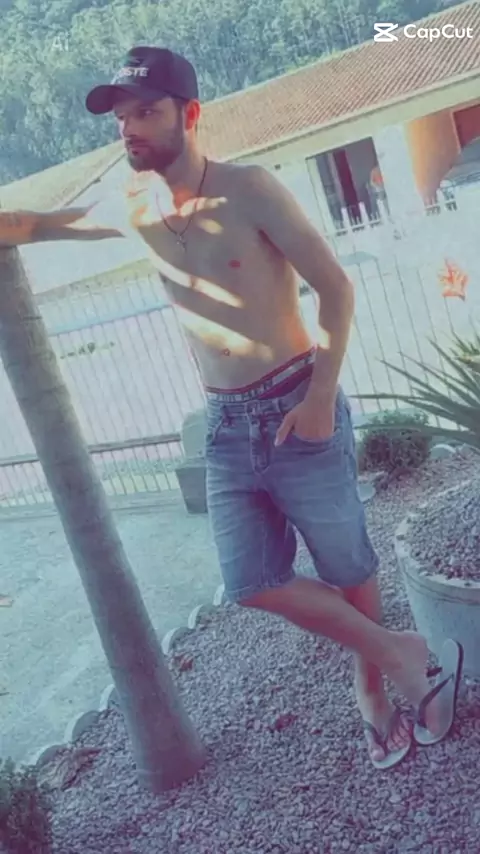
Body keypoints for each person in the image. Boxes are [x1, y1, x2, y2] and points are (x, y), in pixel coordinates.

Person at [0, 46, 462, 769]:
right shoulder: (134, 207)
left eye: (145, 112)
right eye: (120, 118)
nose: (128, 129)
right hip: (224, 425)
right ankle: (400, 652)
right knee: (250, 582)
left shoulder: (249, 189)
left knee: (347, 563)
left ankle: (372, 690)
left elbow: (336, 288)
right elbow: (33, 225)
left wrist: (320, 396)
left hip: (296, 402)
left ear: (189, 113)